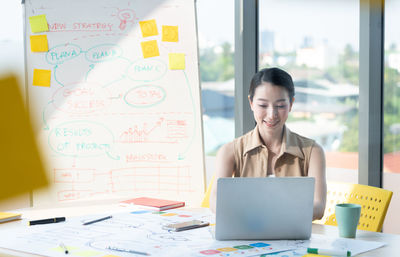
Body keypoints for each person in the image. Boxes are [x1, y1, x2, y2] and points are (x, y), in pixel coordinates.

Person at [209, 67, 326, 220]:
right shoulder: (230, 151)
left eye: (280, 106)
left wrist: (268, 213)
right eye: (263, 105)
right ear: (251, 103)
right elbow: (216, 200)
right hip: (246, 235)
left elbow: (318, 207)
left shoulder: (312, 151)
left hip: (294, 237)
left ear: (291, 104)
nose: (272, 115)